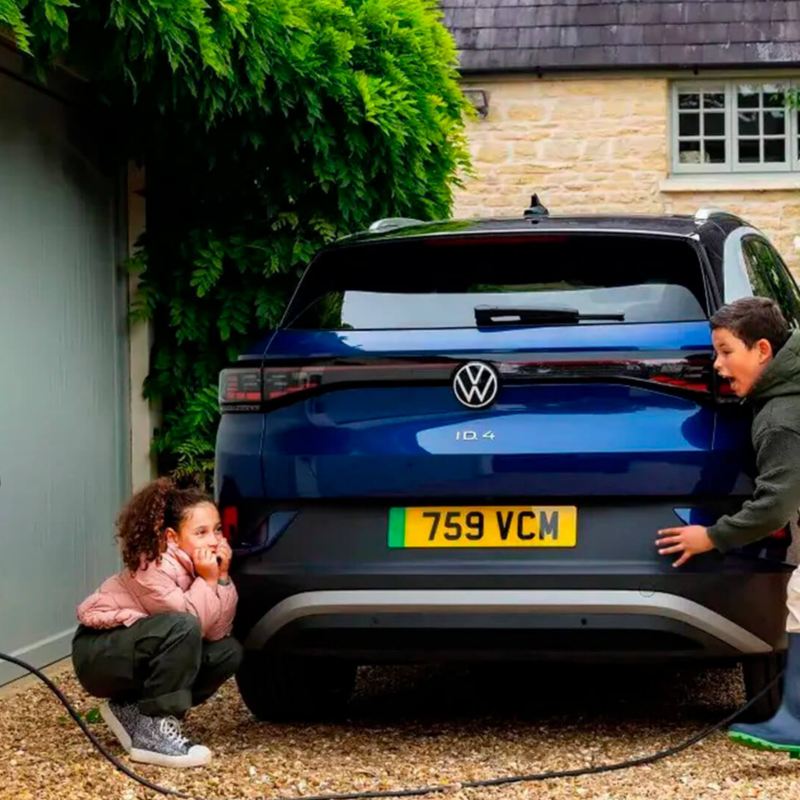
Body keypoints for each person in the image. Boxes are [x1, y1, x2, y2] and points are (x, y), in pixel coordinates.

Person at [656, 296, 800, 755]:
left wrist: (711, 536)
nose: (716, 365)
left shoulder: (781, 418)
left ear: (762, 349)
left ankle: (795, 721)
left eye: (724, 351)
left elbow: (775, 506)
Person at [71, 478, 241, 768]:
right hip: (98, 653)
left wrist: (221, 578)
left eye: (216, 530)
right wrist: (209, 579)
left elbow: (216, 632)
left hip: (141, 648)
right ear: (173, 538)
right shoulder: (153, 565)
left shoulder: (199, 568)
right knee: (183, 626)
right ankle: (153, 731)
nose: (213, 540)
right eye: (201, 532)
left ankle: (133, 711)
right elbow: (192, 623)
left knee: (228, 651)